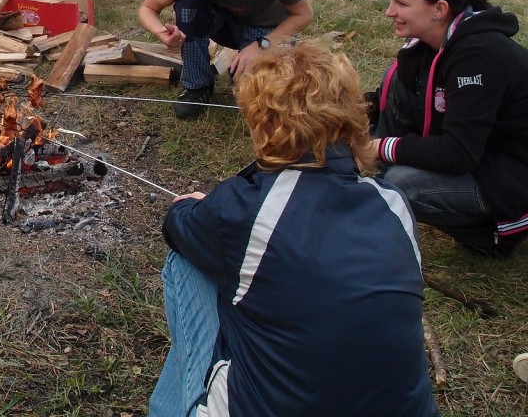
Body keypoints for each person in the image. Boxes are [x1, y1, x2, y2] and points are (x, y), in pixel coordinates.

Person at [149, 41, 439, 417]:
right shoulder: (394, 203)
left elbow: (177, 225)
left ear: (265, 122)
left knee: (187, 261)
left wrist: (194, 207)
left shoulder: (245, 208)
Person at [368, 0, 528, 257]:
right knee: (397, 81)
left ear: (439, 9)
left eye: (401, 4)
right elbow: (397, 98)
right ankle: (369, 183)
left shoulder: (480, 56)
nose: (389, 11)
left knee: (403, 183)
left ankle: (489, 236)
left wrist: (380, 147)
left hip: (506, 177)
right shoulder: (430, 42)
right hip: (475, 154)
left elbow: (459, 152)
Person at [137, 0, 313, 119]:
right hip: (224, 24)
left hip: (266, 29)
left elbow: (303, 15)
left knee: (249, 93)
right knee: (188, 3)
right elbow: (147, 8)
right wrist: (161, 32)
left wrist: (261, 45)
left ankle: (269, 60)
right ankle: (198, 84)